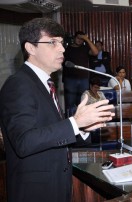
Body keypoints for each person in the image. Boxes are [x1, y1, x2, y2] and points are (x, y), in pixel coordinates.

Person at [0, 18, 114, 202]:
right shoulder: (18, 85)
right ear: (31, 48)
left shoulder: (45, 83)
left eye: (62, 43)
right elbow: (24, 142)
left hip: (56, 186)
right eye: (53, 42)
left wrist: (82, 128)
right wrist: (75, 122)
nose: (62, 49)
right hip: (35, 192)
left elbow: (50, 134)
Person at [63, 30, 98, 114]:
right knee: (70, 103)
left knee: (83, 103)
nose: (80, 40)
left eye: (82, 39)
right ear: (74, 38)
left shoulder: (85, 48)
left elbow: (95, 52)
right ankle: (70, 122)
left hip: (84, 79)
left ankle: (82, 124)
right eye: (78, 38)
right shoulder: (67, 49)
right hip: (70, 79)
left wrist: (87, 39)